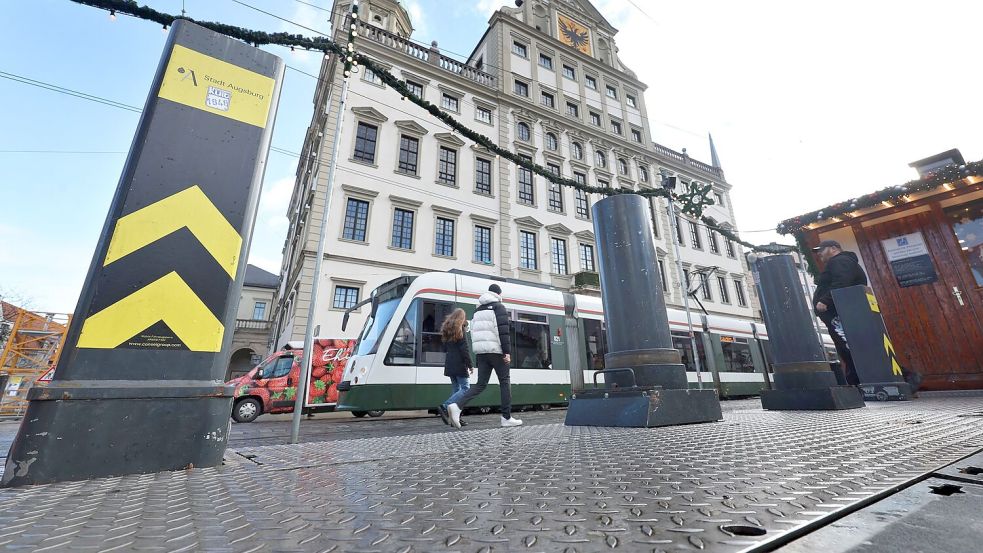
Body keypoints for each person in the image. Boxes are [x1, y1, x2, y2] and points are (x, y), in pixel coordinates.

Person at [447, 283, 522, 428]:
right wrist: (506, 352)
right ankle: (506, 418)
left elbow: (473, 332)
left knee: (480, 384)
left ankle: (457, 406)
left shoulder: (477, 310)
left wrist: (478, 351)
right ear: (498, 294)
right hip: (496, 352)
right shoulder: (498, 307)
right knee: (505, 382)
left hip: (481, 353)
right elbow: (503, 331)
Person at [812, 239, 868, 385]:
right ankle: (855, 381)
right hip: (840, 312)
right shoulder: (843, 261)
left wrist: (825, 300)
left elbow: (842, 282)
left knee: (849, 348)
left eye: (821, 250)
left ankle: (857, 382)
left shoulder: (839, 261)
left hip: (838, 313)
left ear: (833, 248)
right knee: (850, 348)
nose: (819, 254)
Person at [437, 308, 473, 427]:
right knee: (466, 389)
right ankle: (445, 406)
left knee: (456, 390)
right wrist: (470, 365)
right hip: (459, 364)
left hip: (450, 364)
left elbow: (444, 348)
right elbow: (465, 350)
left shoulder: (447, 329)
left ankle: (455, 418)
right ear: (461, 318)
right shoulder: (460, 329)